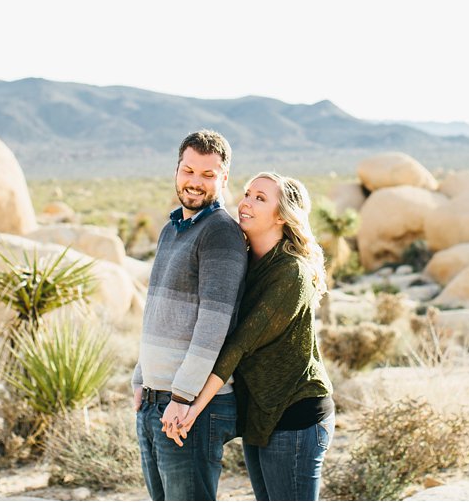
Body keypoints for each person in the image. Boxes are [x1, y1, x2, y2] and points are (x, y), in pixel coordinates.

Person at [171, 172, 333, 501]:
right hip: (259, 413)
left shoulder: (291, 272)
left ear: (282, 215)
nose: (246, 203)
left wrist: (192, 406)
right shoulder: (245, 263)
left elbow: (240, 344)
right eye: (247, 194)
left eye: (260, 198)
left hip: (296, 415)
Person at [131, 129, 249, 500]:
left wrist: (181, 398)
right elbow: (157, 311)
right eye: (188, 171)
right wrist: (141, 378)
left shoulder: (220, 233)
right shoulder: (171, 230)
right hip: (155, 400)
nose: (194, 183)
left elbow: (214, 324)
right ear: (177, 170)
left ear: (224, 179)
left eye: (207, 175)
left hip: (190, 408)